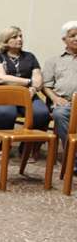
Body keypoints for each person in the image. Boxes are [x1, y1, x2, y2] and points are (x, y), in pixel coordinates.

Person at [0, 26, 49, 130]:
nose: (20, 39)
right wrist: (28, 82)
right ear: (5, 41)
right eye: (15, 37)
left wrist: (33, 88)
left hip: (27, 95)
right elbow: (0, 78)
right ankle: (5, 144)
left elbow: (38, 80)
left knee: (42, 113)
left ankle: (28, 145)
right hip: (3, 95)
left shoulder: (30, 56)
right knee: (6, 113)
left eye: (21, 36)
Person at [43, 20, 77, 170]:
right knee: (60, 114)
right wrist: (55, 98)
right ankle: (74, 158)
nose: (76, 38)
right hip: (64, 103)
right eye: (72, 35)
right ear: (64, 39)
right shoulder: (53, 61)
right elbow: (46, 85)